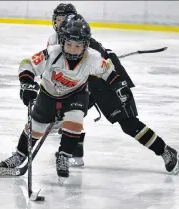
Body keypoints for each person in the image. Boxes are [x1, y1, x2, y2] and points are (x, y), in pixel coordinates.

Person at [0, 14, 128, 178]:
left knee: (75, 121)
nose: (73, 49)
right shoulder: (52, 53)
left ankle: (64, 156)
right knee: (36, 127)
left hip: (76, 95)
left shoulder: (93, 58)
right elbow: (27, 64)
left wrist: (120, 86)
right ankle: (19, 155)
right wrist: (27, 84)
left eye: (78, 46)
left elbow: (108, 72)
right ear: (62, 41)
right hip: (48, 94)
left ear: (86, 44)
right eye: (68, 44)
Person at [50, 12, 179, 175]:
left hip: (107, 87)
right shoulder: (63, 43)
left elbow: (108, 67)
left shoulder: (93, 49)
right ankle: (75, 154)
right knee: (73, 113)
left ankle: (166, 151)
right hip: (88, 85)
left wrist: (120, 86)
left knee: (129, 125)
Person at [48, 3, 135, 167]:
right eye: (57, 20)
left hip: (97, 83)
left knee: (74, 113)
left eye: (63, 19)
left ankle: (74, 153)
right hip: (83, 82)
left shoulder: (81, 36)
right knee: (70, 115)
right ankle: (75, 154)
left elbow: (98, 59)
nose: (59, 23)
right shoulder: (54, 40)